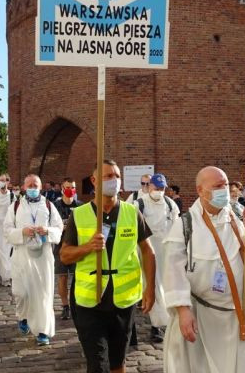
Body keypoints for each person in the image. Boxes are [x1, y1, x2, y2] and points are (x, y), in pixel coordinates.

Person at [162, 166, 245, 373]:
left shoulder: (238, 215)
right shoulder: (184, 225)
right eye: (218, 186)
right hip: (202, 316)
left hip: (240, 315)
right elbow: (173, 271)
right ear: (200, 191)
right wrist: (183, 311)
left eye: (226, 184)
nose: (225, 190)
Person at [60, 160, 155, 373]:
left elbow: (148, 251)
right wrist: (87, 247)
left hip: (123, 300)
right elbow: (65, 256)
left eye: (117, 176)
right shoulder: (80, 214)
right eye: (108, 176)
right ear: (94, 181)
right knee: (97, 364)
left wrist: (151, 288)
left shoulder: (132, 213)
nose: (114, 181)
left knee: (118, 363)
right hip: (89, 302)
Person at [4, 174, 63, 346]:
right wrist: (22, 232)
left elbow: (59, 227)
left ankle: (43, 331)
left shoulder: (48, 205)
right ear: (23, 187)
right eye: (29, 184)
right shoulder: (15, 206)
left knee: (43, 294)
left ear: (41, 187)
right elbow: (7, 229)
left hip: (43, 256)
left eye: (35, 184)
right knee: (22, 293)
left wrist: (47, 230)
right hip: (22, 255)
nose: (32, 187)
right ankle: (23, 317)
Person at [133, 173, 179, 342]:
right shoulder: (139, 204)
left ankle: (166, 320)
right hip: (146, 250)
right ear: (149, 187)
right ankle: (156, 325)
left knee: (165, 286)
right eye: (156, 188)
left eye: (162, 189)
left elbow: (176, 226)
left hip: (166, 250)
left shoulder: (170, 204)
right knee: (152, 284)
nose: (158, 191)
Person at [53, 178, 83, 320]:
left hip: (77, 246)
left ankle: (77, 304)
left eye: (72, 187)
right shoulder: (55, 206)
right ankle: (65, 306)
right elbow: (50, 225)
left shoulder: (81, 207)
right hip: (60, 245)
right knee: (62, 277)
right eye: (67, 187)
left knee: (78, 277)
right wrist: (61, 227)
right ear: (62, 188)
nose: (70, 189)